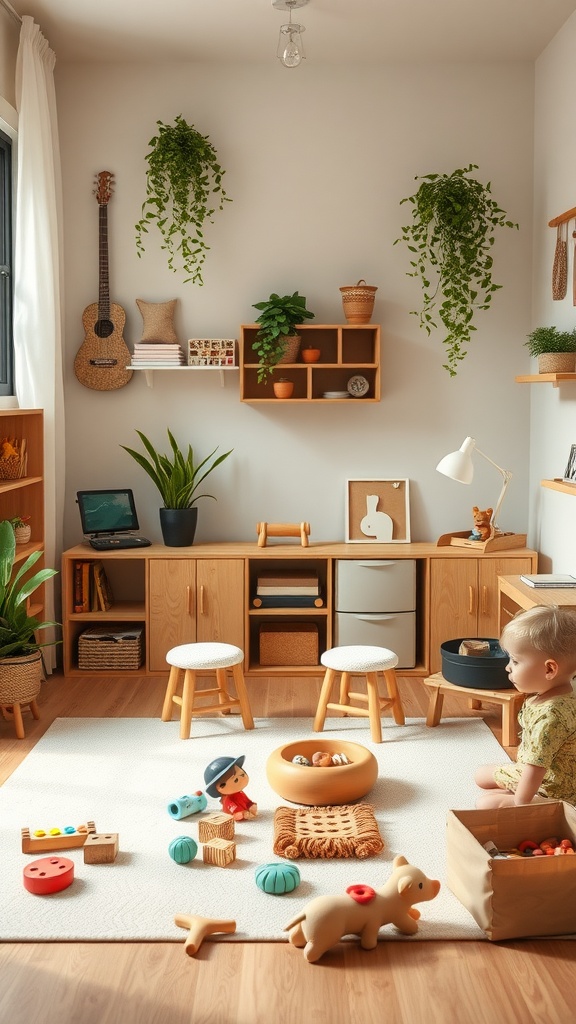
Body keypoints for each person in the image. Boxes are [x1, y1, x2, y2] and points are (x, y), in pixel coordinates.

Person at [475, 605, 576, 808]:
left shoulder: (551, 718)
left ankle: (536, 802)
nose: (508, 666)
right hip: (540, 771)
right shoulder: (553, 694)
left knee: (485, 804)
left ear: (549, 669)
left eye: (516, 661)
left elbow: (535, 770)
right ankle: (517, 791)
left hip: (554, 789)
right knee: (480, 775)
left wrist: (520, 805)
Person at [203, 754, 258, 821]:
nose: (239, 781)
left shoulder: (240, 793)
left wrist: (250, 805)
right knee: (239, 815)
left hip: (243, 808)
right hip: (234, 812)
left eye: (242, 775)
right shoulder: (227, 799)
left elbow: (246, 800)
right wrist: (240, 813)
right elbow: (231, 807)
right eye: (235, 780)